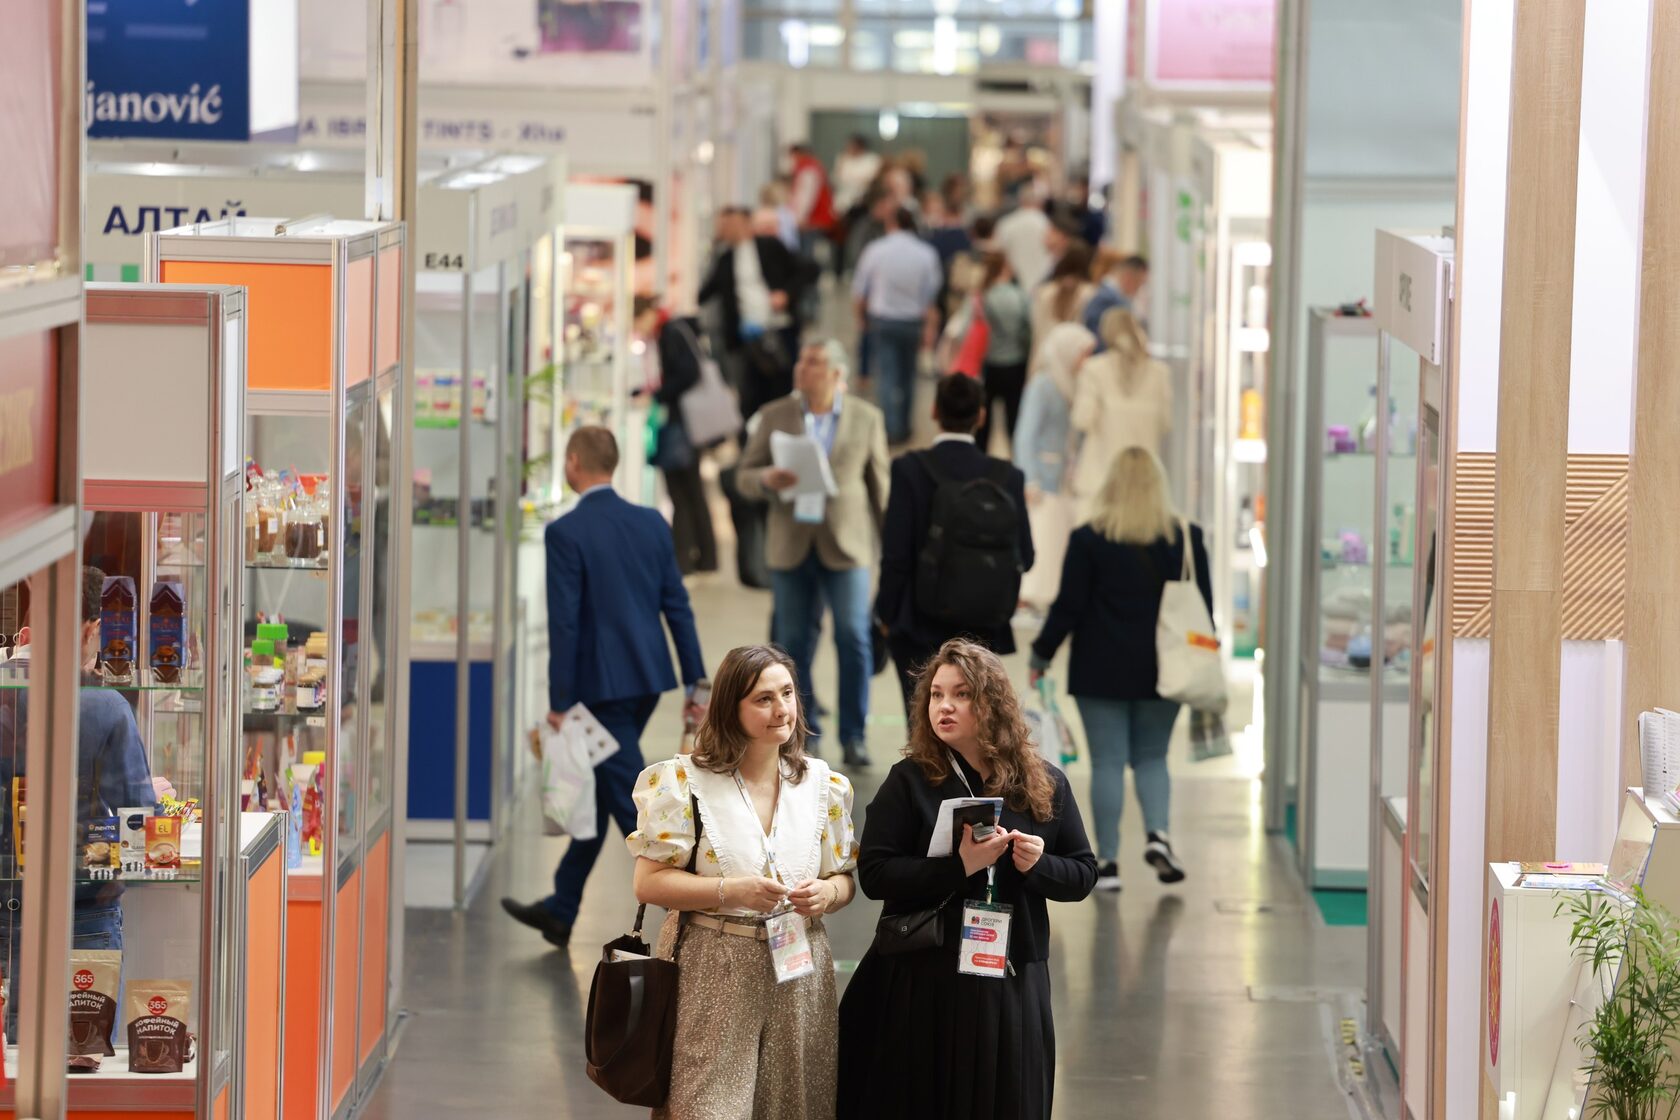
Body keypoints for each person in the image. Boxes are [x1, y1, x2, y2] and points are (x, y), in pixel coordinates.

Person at [837, 638, 1097, 1120]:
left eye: (961, 694)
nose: (944, 706)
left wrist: (1038, 864)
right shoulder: (909, 780)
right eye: (936, 695)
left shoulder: (1042, 782)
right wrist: (959, 867)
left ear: (992, 704)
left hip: (1011, 975)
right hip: (924, 976)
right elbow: (875, 874)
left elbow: (1082, 874)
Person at [628, 644, 858, 1120]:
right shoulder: (684, 782)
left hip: (799, 967)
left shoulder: (823, 785)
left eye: (787, 693)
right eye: (763, 699)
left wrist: (828, 893)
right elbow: (648, 883)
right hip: (712, 965)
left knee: (792, 1106)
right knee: (706, 1106)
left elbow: (843, 879)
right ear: (731, 709)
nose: (782, 710)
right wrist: (731, 891)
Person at [501, 427, 706, 947]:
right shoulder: (651, 522)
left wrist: (559, 702)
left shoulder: (566, 531)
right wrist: (695, 679)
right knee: (599, 787)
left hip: (597, 688)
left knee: (628, 799)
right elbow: (676, 603)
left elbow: (565, 622)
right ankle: (562, 907)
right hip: (646, 678)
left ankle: (691, 894)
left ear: (573, 461)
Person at [1028, 447, 1208, 890]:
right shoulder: (1186, 539)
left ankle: (1107, 863)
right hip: (1165, 670)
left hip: (1099, 670)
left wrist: (1042, 653)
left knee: (1107, 762)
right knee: (1153, 757)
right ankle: (1158, 836)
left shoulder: (1089, 539)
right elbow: (1203, 611)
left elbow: (1068, 607)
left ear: (1111, 486)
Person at [0, 567, 158, 1038]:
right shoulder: (105, 707)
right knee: (81, 1059)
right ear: (92, 628)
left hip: (6, 910)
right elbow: (140, 829)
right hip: (83, 914)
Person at [737, 340, 889, 768]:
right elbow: (744, 475)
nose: (803, 368)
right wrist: (765, 478)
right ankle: (802, 733)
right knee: (792, 644)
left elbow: (881, 490)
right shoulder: (774, 415)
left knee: (853, 637)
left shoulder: (866, 418)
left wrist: (893, 552)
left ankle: (854, 736)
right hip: (791, 543)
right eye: (802, 359)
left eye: (815, 362)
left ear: (837, 374)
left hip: (847, 546)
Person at [876, 374, 1034, 711]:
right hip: (984, 630)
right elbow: (1026, 555)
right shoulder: (1007, 476)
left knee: (925, 726)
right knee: (975, 725)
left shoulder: (909, 469)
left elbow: (896, 555)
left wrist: (886, 615)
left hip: (918, 623)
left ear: (934, 411)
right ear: (982, 415)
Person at [698, 207, 812, 423]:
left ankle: (784, 430)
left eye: (731, 225)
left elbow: (806, 270)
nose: (727, 230)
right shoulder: (725, 259)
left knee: (782, 386)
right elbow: (705, 292)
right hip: (746, 338)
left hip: (778, 329)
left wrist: (786, 294)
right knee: (750, 393)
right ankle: (753, 436)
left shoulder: (769, 247)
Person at [1014, 322, 1096, 613]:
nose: (1086, 360)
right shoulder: (1043, 385)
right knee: (1041, 539)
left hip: (1065, 478)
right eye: (1083, 353)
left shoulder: (1075, 384)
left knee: (1056, 540)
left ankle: (1051, 597)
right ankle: (1030, 597)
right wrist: (1029, 479)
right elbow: (1025, 435)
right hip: (1044, 479)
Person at [852, 201, 942, 446]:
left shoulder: (876, 250)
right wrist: (930, 328)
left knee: (887, 374)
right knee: (908, 375)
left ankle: (891, 428)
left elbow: (860, 290)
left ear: (892, 223)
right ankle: (905, 426)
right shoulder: (926, 253)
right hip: (912, 321)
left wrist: (860, 318)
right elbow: (930, 296)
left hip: (883, 319)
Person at [1070, 307, 1172, 520]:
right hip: (1143, 481)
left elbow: (1082, 419)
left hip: (1099, 479)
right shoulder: (1160, 373)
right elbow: (1166, 423)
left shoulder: (1094, 369)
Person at [649, 305, 722, 575]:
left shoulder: (670, 333)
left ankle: (687, 557)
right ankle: (704, 557)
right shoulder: (678, 331)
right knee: (691, 492)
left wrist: (659, 395)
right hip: (688, 425)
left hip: (682, 426)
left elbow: (687, 374)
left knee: (683, 492)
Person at [970, 250, 1034, 453]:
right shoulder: (1021, 296)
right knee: (1013, 416)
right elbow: (1028, 329)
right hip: (1016, 363)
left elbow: (967, 329)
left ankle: (980, 456)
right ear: (1006, 268)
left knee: (983, 418)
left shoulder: (982, 297)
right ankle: (1016, 455)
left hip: (988, 363)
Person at [1029, 242, 1094, 368]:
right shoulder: (1089, 293)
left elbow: (1036, 328)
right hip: (1070, 359)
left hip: (1043, 356)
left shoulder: (1044, 292)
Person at [1083, 251, 1150, 349]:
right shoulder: (1107, 299)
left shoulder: (1110, 296)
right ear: (1128, 277)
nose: (1138, 289)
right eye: (1139, 282)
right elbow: (1096, 338)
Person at [994, 194, 1052, 289]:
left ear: (1021, 201)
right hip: (1042, 281)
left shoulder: (1006, 223)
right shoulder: (1046, 223)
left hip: (1016, 282)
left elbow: (999, 252)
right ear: (1040, 204)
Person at [833, 133, 884, 219]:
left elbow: (870, 181)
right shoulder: (843, 159)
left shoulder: (872, 160)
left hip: (863, 201)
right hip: (842, 201)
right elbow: (837, 179)